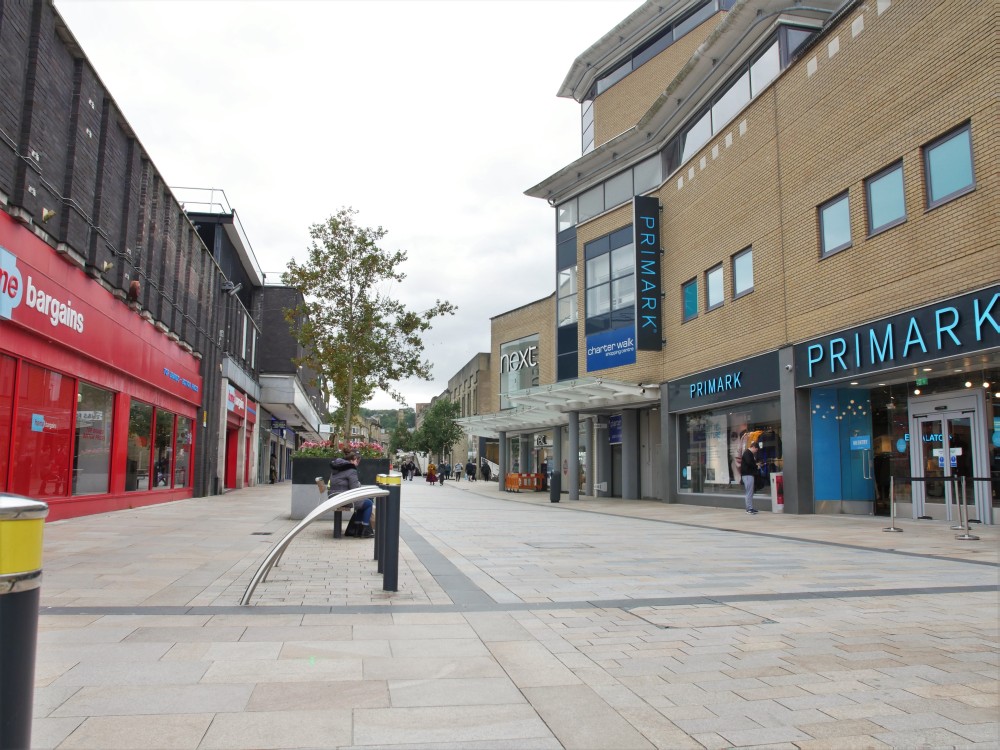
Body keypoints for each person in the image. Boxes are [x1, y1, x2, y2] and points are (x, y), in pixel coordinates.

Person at [328, 451, 374, 538]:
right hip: (343, 498)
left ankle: (357, 530)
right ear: (353, 460)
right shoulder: (351, 470)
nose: (357, 464)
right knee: (368, 503)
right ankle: (364, 531)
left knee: (363, 502)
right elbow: (354, 488)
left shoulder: (336, 467)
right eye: (357, 461)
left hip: (334, 497)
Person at [740, 441, 761, 514]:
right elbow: (749, 463)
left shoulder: (748, 453)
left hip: (748, 475)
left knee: (750, 492)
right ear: (753, 447)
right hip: (747, 475)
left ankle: (750, 507)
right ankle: (749, 509)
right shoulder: (748, 453)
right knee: (749, 492)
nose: (756, 451)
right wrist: (756, 466)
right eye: (756, 449)